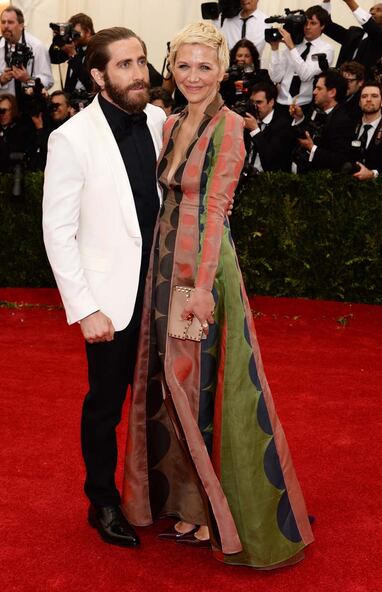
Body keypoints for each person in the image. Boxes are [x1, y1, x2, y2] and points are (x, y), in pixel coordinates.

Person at [122, 21, 314, 568]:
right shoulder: (172, 122)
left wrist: (203, 288)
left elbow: (216, 209)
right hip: (164, 263)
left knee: (198, 385)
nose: (193, 75)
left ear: (223, 71)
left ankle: (212, 509)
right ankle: (183, 500)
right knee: (167, 384)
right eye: (183, 65)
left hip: (198, 270)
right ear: (171, 69)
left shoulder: (229, 126)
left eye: (205, 66)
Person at [43, 27, 166, 549]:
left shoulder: (159, 120)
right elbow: (58, 230)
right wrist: (85, 307)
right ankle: (103, 501)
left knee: (161, 402)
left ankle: (160, 492)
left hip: (162, 292)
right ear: (97, 75)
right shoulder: (71, 137)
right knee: (106, 405)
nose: (139, 72)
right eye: (124, 65)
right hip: (110, 303)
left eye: (141, 61)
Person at [268, 5, 334, 112]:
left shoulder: (326, 49)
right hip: (281, 103)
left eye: (313, 23)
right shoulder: (293, 47)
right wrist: (274, 49)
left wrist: (291, 47)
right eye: (306, 23)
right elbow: (275, 78)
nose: (307, 27)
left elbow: (305, 76)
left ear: (322, 26)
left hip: (304, 106)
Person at [291, 69, 355, 172]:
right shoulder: (315, 110)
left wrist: (312, 148)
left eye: (319, 88)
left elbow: (339, 159)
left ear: (332, 92)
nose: (314, 92)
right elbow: (308, 134)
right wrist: (299, 118)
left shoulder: (343, 121)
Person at [0, 5, 53, 100]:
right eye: (3, 22)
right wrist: (1, 79)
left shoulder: (36, 46)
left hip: (30, 106)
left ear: (21, 26)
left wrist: (28, 80)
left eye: (10, 22)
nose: (6, 26)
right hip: (4, 107)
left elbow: (48, 80)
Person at [243, 81, 295, 172]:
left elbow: (271, 161)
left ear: (271, 102)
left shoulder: (283, 125)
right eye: (252, 102)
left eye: (259, 102)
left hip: (268, 179)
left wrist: (255, 131)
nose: (255, 106)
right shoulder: (249, 119)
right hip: (245, 174)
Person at [322, 0, 382, 75]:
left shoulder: (379, 36)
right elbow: (327, 26)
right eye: (371, 10)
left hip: (365, 84)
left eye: (379, 10)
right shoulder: (354, 33)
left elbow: (372, 27)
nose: (372, 12)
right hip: (341, 82)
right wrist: (326, 2)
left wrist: (350, 2)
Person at [49, 13, 95, 94]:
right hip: (70, 99)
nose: (73, 36)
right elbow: (54, 58)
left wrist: (73, 55)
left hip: (89, 100)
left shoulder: (99, 48)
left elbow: (90, 84)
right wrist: (58, 40)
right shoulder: (75, 45)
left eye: (76, 33)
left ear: (88, 32)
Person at [221, 38, 271, 107]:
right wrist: (220, 82)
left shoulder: (261, 75)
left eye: (247, 56)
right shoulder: (227, 76)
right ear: (234, 57)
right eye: (239, 56)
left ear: (253, 58)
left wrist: (247, 83)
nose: (242, 59)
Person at [350, 81, 382, 179]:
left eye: (374, 96)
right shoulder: (350, 125)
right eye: (364, 96)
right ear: (359, 102)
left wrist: (373, 174)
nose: (368, 99)